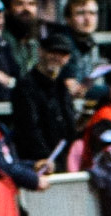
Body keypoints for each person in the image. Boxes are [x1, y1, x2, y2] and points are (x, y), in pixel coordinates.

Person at [12, 30, 77, 165]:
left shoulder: (62, 86)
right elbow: (28, 128)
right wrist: (44, 157)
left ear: (68, 58)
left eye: (62, 54)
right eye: (52, 52)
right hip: (38, 162)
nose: (56, 57)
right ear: (41, 52)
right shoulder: (26, 86)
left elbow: (69, 125)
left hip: (63, 159)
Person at [1, 0, 42, 79]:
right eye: (19, 4)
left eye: (31, 4)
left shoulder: (35, 41)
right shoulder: (2, 41)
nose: (26, 9)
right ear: (8, 9)